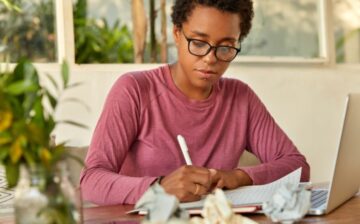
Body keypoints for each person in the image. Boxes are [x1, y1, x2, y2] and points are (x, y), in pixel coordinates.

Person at [80, 0, 310, 205]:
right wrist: (159, 188)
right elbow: (91, 181)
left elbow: (298, 167)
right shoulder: (134, 90)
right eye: (199, 43)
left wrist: (238, 176)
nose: (211, 59)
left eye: (225, 47)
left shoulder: (240, 97)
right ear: (177, 34)